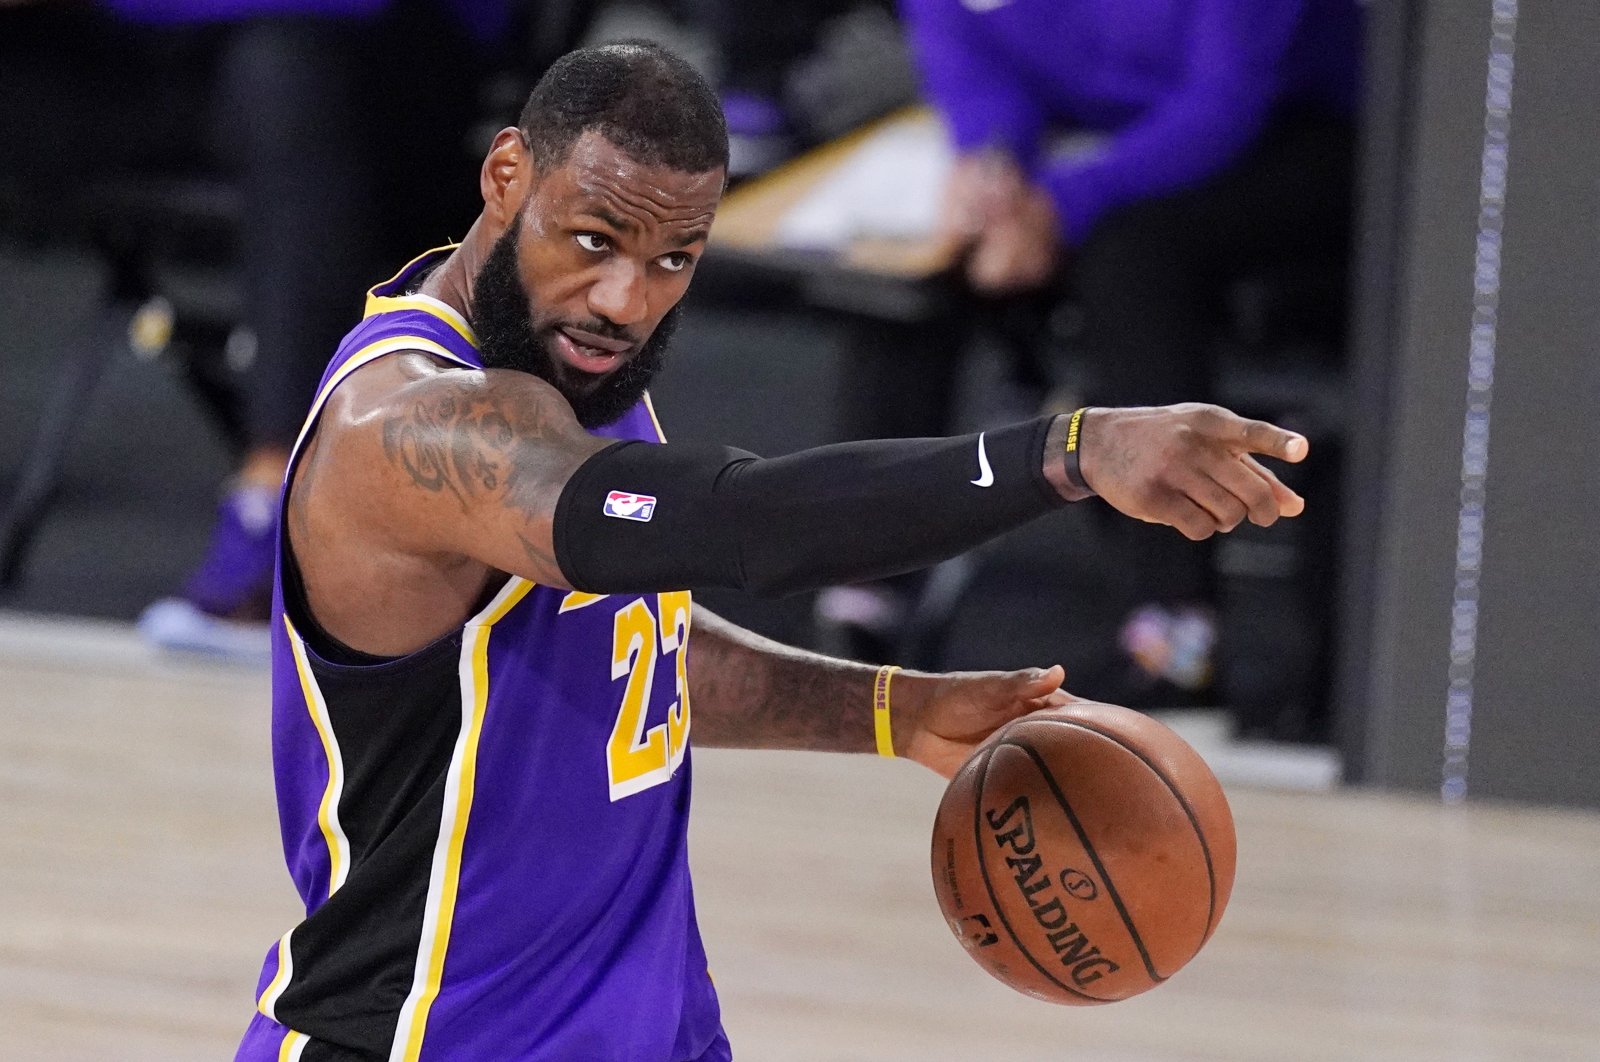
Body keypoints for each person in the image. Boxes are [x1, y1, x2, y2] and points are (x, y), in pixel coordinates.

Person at [235, 41, 1310, 1060]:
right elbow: (743, 523)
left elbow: (627, 653)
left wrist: (893, 709)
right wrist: (1067, 453)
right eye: (595, 241)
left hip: (652, 1029)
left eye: (673, 260)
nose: (624, 300)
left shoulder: (568, 367)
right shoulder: (414, 429)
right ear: (506, 174)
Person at [834, 0, 1362, 700]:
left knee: (1132, 259)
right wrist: (992, 174)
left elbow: (1222, 103)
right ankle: (865, 585)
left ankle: (1176, 633)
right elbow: (979, 70)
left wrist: (1055, 208)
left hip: (1304, 133)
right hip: (1105, 147)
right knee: (915, 258)